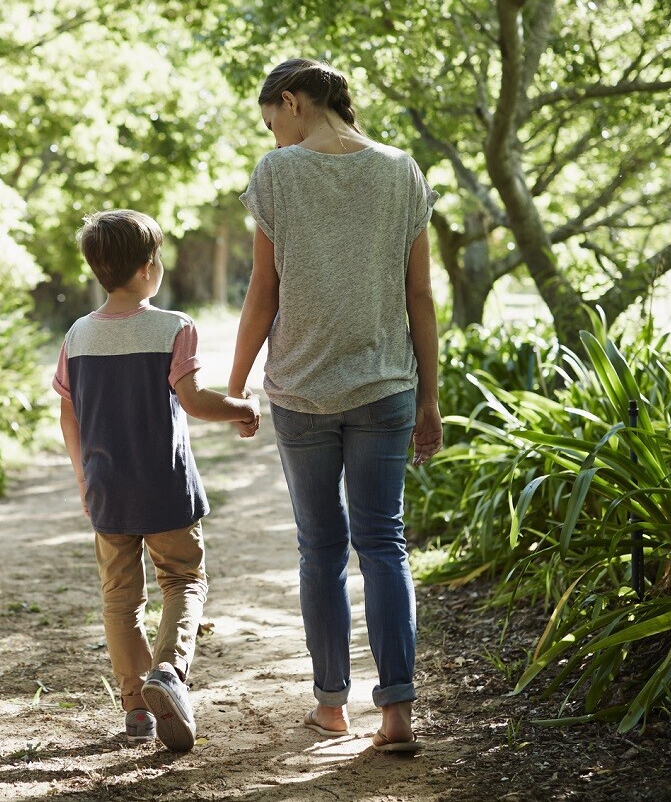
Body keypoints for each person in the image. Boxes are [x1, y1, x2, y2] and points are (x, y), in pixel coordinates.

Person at [226, 58, 442, 754]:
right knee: (384, 544)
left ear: (293, 102)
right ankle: (398, 715)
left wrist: (236, 385)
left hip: (302, 390)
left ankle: (330, 707)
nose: (276, 137)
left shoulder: (277, 173)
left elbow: (263, 292)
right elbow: (421, 297)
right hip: (387, 388)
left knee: (320, 549)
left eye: (273, 122)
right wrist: (430, 397)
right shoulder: (402, 171)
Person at [53, 210, 261, 752]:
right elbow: (192, 400)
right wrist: (241, 406)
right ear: (149, 269)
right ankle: (168, 672)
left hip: (108, 490)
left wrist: (83, 479)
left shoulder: (77, 335)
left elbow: (68, 415)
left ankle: (136, 710)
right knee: (184, 581)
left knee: (120, 600)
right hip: (166, 489)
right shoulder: (174, 326)